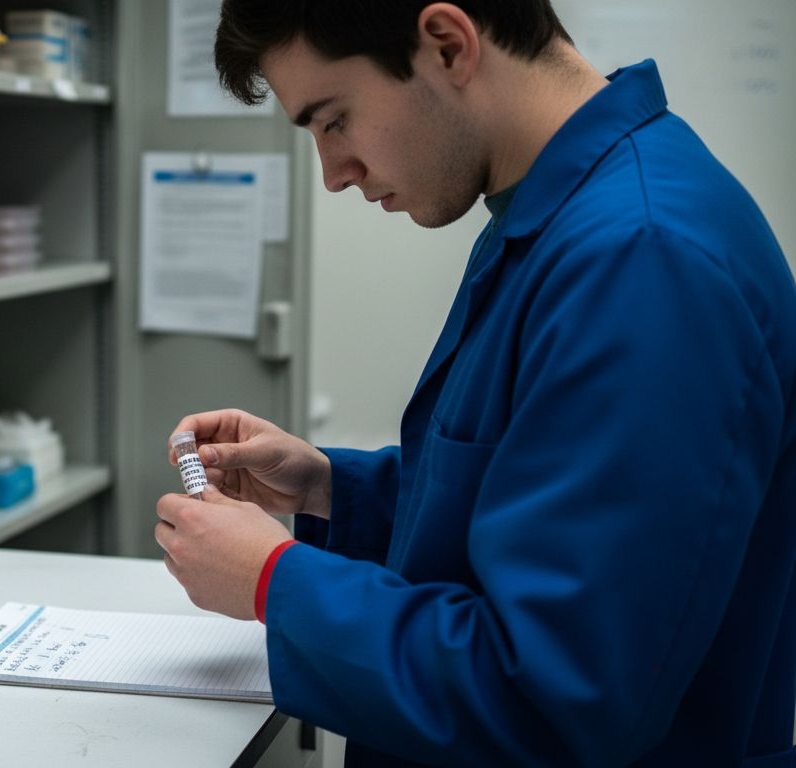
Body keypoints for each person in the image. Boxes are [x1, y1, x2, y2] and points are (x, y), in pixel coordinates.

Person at [154, 2, 796, 765]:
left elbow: (556, 700)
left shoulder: (643, 260)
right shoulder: (557, 213)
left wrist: (275, 580)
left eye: (334, 121)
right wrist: (328, 487)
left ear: (448, 44)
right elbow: (527, 502)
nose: (335, 174)